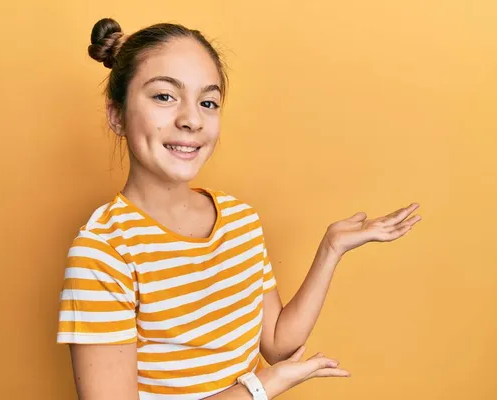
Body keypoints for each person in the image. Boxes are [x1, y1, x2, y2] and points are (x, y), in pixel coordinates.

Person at [56, 17, 422, 400]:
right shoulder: (103, 253)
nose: (191, 119)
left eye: (208, 102)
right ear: (117, 116)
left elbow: (277, 343)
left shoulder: (240, 220)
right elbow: (268, 376)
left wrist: (331, 248)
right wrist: (261, 388)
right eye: (164, 96)